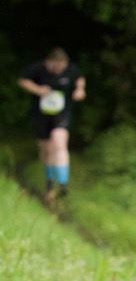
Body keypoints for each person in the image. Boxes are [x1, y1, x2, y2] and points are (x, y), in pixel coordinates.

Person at [17, 47, 85, 203]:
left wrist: (80, 89)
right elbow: (22, 80)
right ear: (49, 62)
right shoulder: (37, 69)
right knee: (45, 148)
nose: (60, 70)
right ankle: (49, 182)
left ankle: (62, 184)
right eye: (57, 67)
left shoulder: (70, 70)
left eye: (63, 67)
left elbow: (79, 78)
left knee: (58, 142)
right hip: (41, 115)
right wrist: (37, 89)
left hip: (61, 113)